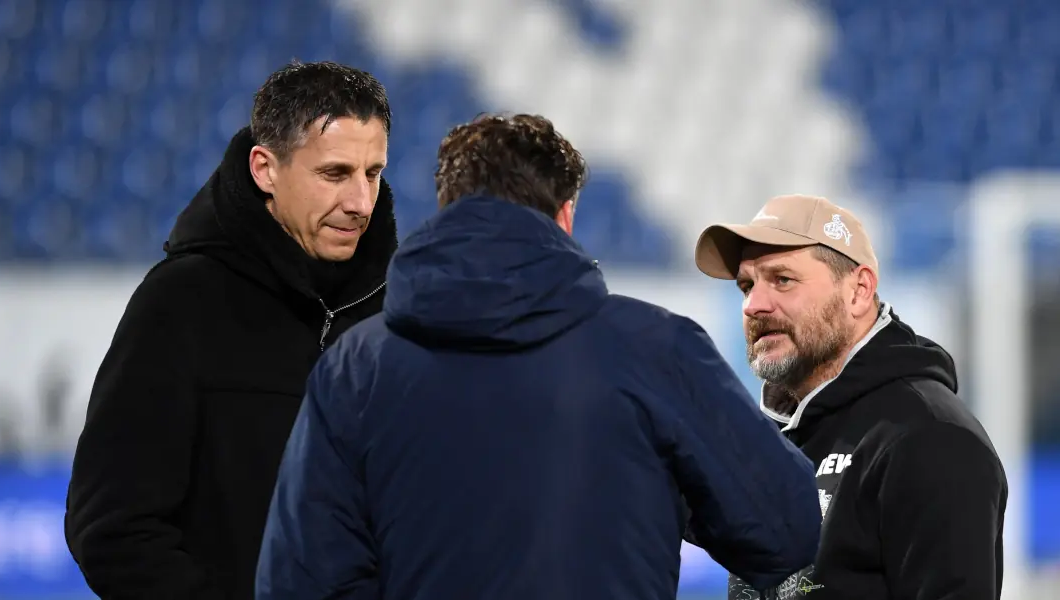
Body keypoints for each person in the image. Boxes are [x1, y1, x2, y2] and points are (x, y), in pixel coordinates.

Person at [255, 113, 822, 600]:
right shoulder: (654, 348)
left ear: (449, 210)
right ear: (565, 216)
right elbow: (788, 528)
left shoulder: (353, 367)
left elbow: (301, 581)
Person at [63, 61, 398, 599]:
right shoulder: (180, 304)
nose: (361, 202)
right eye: (335, 174)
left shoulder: (397, 312)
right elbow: (112, 527)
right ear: (266, 169)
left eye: (373, 173)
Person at [695, 194, 1008, 600]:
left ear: (859, 290)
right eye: (746, 286)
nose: (754, 304)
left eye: (782, 280)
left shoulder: (930, 437)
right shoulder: (771, 434)